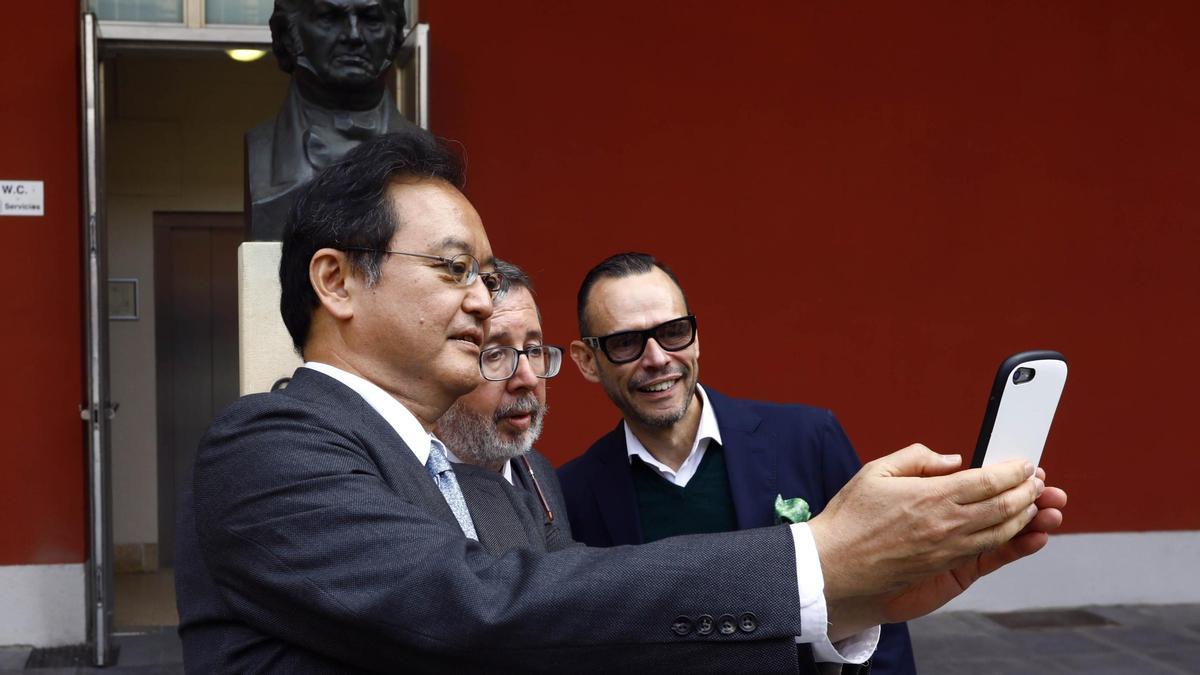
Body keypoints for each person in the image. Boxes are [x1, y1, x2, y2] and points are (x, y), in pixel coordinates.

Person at [175, 131, 1066, 673]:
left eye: (488, 276)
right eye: (455, 270)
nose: (486, 302)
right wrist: (815, 561)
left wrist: (850, 606)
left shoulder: (499, 480)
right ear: (335, 281)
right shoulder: (268, 448)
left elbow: (585, 641)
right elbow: (475, 611)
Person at [559, 252, 922, 672]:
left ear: (695, 337)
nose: (657, 358)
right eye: (625, 342)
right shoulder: (573, 494)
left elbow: (883, 601)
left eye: (673, 332)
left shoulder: (809, 439)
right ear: (587, 360)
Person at [246, 0, 420, 239]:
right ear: (288, 34)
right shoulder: (260, 149)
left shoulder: (423, 156)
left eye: (371, 19)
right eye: (329, 17)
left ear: (395, 35)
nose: (354, 35)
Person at [436, 258, 574, 553]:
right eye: (496, 354)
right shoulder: (409, 484)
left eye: (534, 350)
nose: (526, 378)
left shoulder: (538, 469)